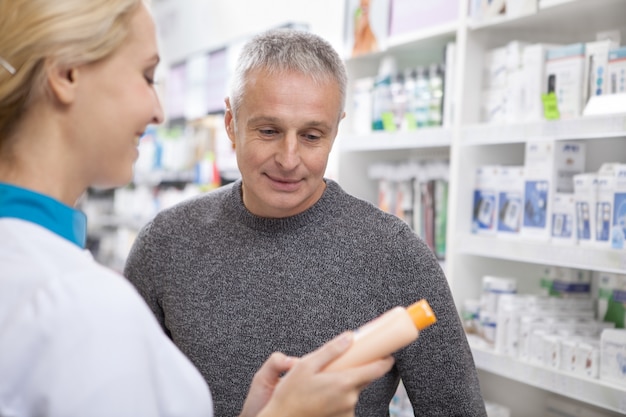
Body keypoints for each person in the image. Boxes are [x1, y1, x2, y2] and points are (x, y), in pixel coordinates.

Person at [0, 1, 394, 416]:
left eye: (312, 135)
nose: (158, 110)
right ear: (66, 74)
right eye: (147, 75)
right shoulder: (81, 302)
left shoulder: (44, 275)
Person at [125, 28, 488, 417]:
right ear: (231, 122)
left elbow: (457, 410)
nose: (288, 158)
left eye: (312, 136)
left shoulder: (394, 255)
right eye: (269, 131)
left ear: (336, 129)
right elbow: (121, 399)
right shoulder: (166, 245)